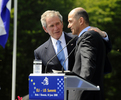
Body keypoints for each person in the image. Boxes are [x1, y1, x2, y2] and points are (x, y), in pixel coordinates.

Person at [22, 10, 111, 100]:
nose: (56, 28)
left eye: (58, 24)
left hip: (82, 94)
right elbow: (41, 82)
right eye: (52, 26)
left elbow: (99, 54)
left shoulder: (77, 38)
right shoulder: (39, 52)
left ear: (62, 23)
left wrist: (103, 36)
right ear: (45, 29)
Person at [67, 7, 111, 100]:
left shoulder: (88, 36)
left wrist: (79, 88)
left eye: (70, 21)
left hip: (85, 96)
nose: (68, 26)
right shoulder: (94, 35)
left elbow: (88, 68)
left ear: (81, 20)